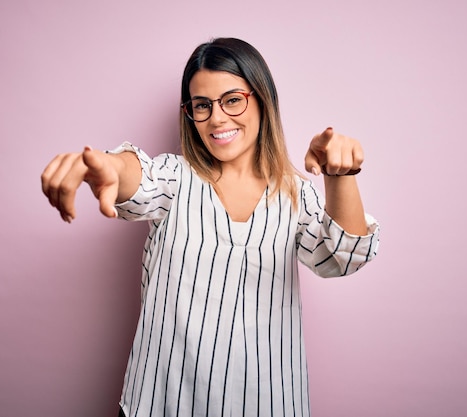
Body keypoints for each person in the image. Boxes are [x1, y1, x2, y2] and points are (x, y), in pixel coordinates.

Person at [41, 37, 379, 417]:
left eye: (232, 99)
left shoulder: (295, 196)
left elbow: (341, 259)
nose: (217, 118)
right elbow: (133, 173)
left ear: (262, 98)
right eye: (201, 105)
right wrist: (106, 164)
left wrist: (341, 174)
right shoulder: (175, 178)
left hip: (267, 403)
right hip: (159, 403)